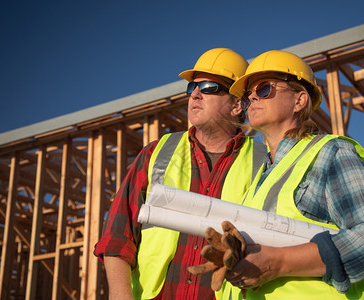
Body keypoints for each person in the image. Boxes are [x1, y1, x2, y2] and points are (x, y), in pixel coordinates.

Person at [210, 50, 364, 299]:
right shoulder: (261, 181)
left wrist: (279, 262)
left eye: (263, 89)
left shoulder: (329, 153)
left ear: (299, 100)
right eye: (248, 96)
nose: (252, 97)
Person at [94, 48, 267, 299]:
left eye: (209, 87)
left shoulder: (264, 161)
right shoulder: (157, 153)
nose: (195, 94)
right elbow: (117, 236)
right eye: (191, 88)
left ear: (237, 104)